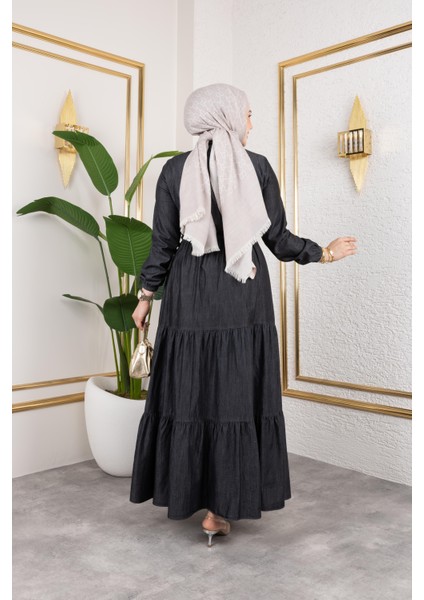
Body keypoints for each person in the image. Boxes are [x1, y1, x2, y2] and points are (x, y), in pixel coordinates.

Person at [130, 83, 357, 547]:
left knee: (192, 391)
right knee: (234, 391)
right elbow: (277, 239)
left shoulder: (175, 170)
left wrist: (146, 295)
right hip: (242, 286)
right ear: (228, 115)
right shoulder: (257, 167)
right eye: (248, 114)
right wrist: (325, 253)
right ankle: (219, 510)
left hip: (191, 293)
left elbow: (164, 245)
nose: (252, 122)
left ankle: (192, 496)